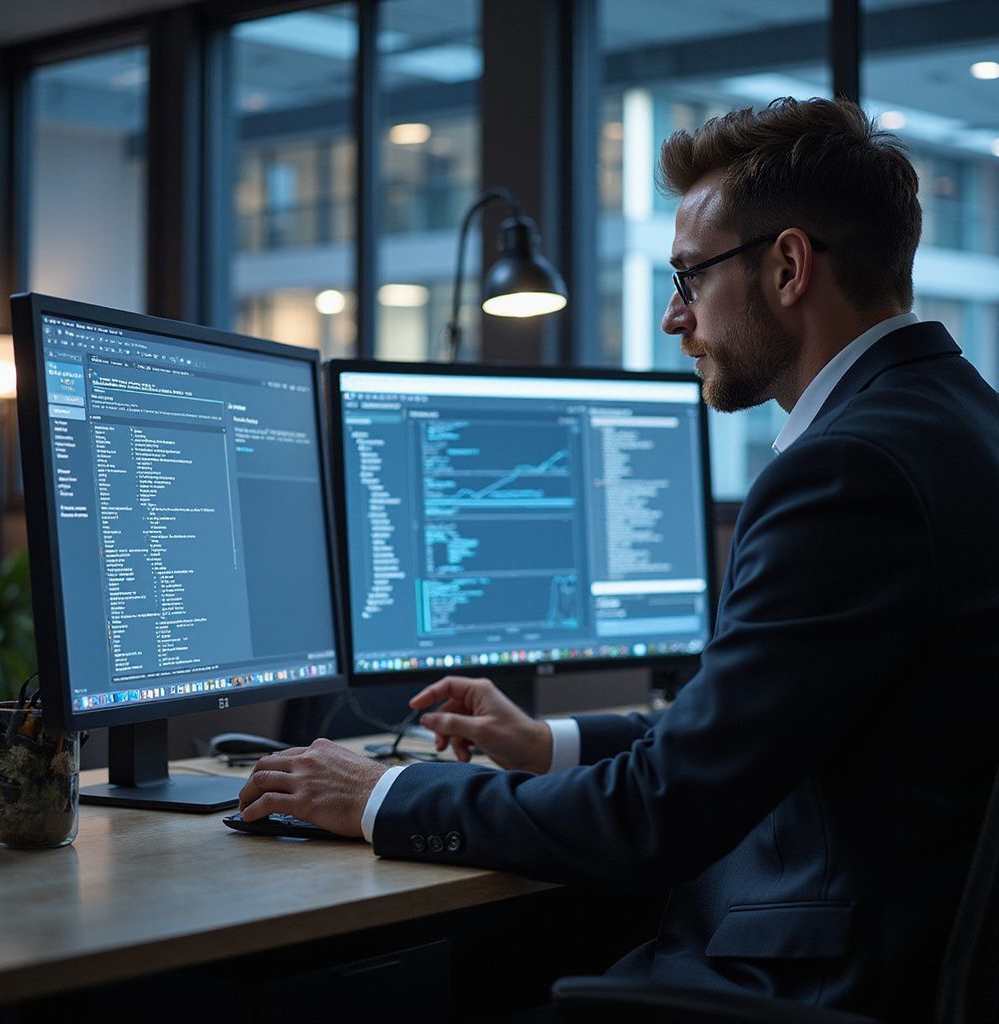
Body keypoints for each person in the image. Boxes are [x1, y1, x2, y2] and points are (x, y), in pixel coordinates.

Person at [238, 97, 999, 1021]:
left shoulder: (848, 469)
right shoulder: (960, 422)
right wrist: (548, 744)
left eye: (690, 277)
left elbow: (659, 813)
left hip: (806, 983)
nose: (676, 317)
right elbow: (754, 730)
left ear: (789, 266)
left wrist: (381, 793)